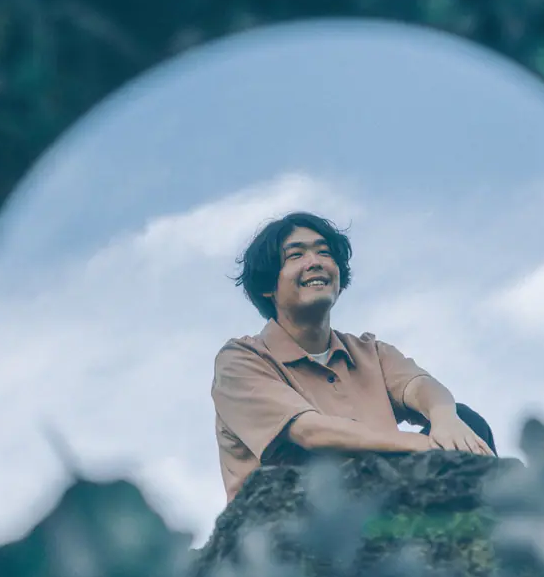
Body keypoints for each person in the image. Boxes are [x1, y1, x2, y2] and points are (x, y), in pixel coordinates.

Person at [211, 212, 497, 504]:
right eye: (296, 255)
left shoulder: (370, 352)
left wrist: (445, 418)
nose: (315, 262)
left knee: (467, 422)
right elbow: (311, 433)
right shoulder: (241, 360)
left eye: (324, 252)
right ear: (267, 285)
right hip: (298, 512)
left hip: (383, 493)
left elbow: (420, 386)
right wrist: (422, 445)